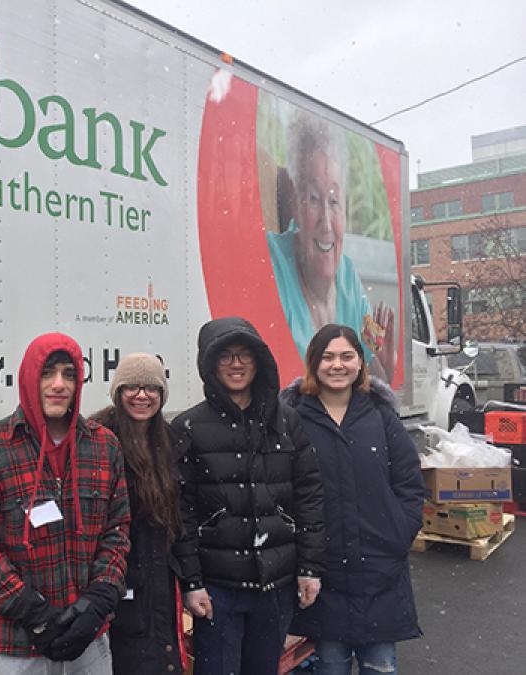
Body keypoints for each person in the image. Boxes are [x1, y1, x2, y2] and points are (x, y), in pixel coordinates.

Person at [0, 332, 131, 674]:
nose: (58, 384)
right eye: (47, 373)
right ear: (29, 377)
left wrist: (97, 601)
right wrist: (32, 612)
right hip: (16, 642)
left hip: (88, 638)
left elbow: (117, 531)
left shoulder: (105, 446)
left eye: (69, 373)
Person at [173, 317, 325, 675]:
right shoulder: (189, 428)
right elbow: (182, 511)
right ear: (209, 365)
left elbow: (309, 497)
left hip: (276, 582)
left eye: (245, 355)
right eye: (225, 356)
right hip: (218, 588)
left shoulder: (286, 422)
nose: (236, 364)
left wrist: (309, 568)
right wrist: (191, 582)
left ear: (259, 361)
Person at [280, 324, 424, 675]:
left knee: (380, 665)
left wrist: (398, 533)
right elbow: (281, 488)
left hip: (379, 568)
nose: (337, 365)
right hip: (323, 570)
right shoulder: (293, 419)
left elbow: (409, 483)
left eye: (347, 356)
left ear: (360, 363)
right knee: (331, 664)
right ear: (313, 363)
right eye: (327, 357)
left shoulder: (380, 416)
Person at [266, 111, 395, 383]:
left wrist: (384, 367)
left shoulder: (348, 276)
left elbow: (375, 381)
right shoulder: (271, 262)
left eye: (334, 201)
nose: (326, 223)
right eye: (313, 198)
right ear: (293, 200)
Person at [91, 353, 184, 675]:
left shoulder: (170, 440)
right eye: (132, 386)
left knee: (160, 653)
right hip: (118, 572)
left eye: (151, 388)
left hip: (160, 571)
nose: (142, 395)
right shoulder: (99, 438)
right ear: (118, 392)